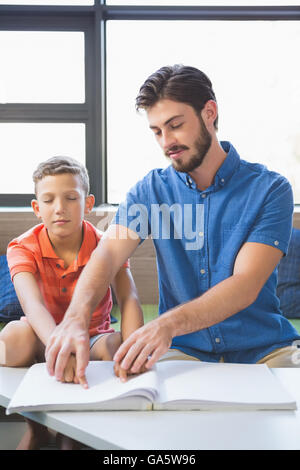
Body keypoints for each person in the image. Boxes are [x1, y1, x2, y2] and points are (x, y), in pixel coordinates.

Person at [45, 65, 300, 386]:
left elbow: (246, 283)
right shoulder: (150, 191)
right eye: (156, 131)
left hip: (265, 349)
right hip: (183, 352)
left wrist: (166, 324)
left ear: (209, 112)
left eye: (175, 125)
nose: (167, 142)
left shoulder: (270, 189)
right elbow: (108, 254)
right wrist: (75, 318)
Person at [0, 156, 144, 449]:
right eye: (49, 200)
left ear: (88, 203)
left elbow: (129, 297)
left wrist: (133, 350)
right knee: (11, 339)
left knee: (120, 345)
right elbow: (32, 305)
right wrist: (61, 348)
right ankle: (37, 425)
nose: (60, 208)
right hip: (42, 335)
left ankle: (76, 429)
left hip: (93, 339)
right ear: (37, 208)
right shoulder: (22, 246)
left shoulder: (109, 243)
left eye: (70, 198)